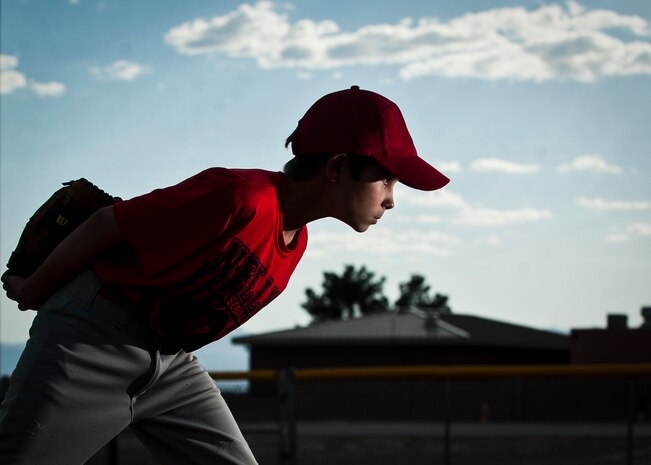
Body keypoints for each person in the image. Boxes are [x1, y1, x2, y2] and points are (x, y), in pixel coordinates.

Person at [0, 85, 449, 464]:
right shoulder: (243, 196)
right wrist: (30, 289)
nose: (391, 198)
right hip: (93, 337)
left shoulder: (297, 243)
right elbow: (109, 222)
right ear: (335, 167)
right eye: (386, 179)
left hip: (172, 365)